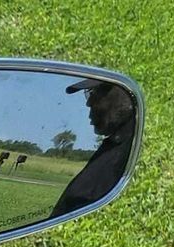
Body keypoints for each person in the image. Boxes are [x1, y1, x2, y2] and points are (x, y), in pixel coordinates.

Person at [53, 78, 135, 217]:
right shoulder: (113, 145)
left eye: (95, 92)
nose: (89, 102)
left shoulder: (128, 150)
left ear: (126, 95)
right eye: (88, 93)